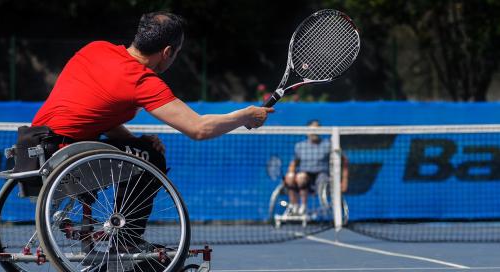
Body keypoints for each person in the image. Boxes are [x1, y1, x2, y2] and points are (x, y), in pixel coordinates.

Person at [29, 11, 274, 254]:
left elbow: (91, 114)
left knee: (143, 148)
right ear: (167, 52)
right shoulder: (141, 80)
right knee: (151, 157)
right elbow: (199, 128)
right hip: (66, 156)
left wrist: (133, 140)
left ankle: (111, 231)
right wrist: (244, 116)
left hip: (33, 150)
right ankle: (127, 239)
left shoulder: (96, 49)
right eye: (176, 53)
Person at [283, 120, 348, 215]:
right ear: (307, 131)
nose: (315, 132)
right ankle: (296, 206)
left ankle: (307, 207)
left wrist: (344, 180)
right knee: (294, 177)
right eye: (312, 129)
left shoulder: (329, 145)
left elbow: (344, 160)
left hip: (322, 177)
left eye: (317, 129)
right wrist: (291, 174)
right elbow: (293, 163)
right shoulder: (299, 146)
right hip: (304, 177)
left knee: (304, 177)